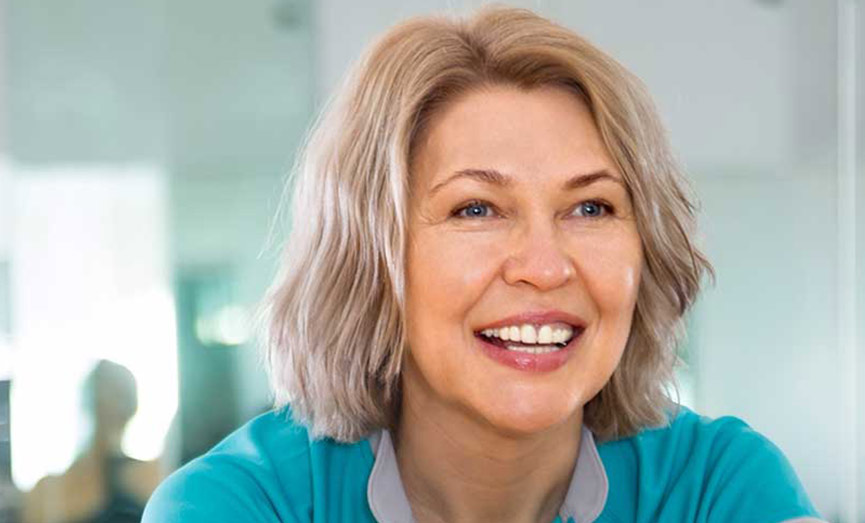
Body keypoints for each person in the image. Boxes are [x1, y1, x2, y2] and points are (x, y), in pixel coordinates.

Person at [144, 6, 822, 522]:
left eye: (590, 208)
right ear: (373, 259)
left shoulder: (718, 487)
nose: (544, 265)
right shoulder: (241, 503)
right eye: (476, 209)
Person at [23, 360, 163, 523]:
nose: (110, 407)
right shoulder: (48, 492)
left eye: (119, 398)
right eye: (104, 398)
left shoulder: (150, 476)